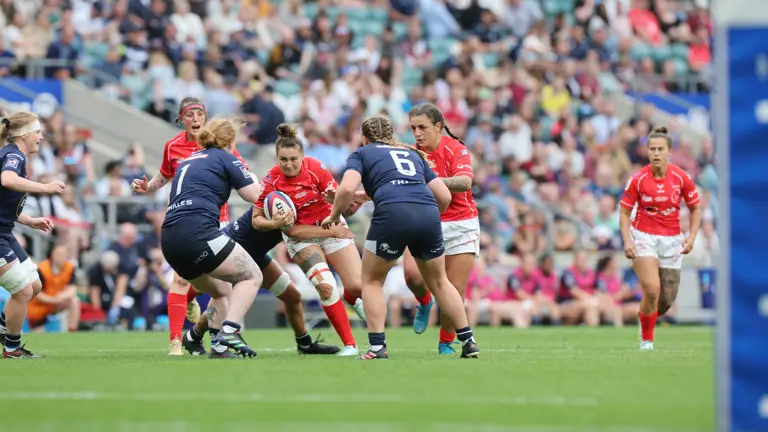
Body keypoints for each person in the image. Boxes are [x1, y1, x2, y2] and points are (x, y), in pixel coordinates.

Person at [322, 115, 480, 360]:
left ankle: (377, 347)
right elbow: (445, 196)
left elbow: (346, 189)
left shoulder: (362, 153)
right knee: (440, 282)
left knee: (372, 281)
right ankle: (468, 340)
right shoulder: (412, 154)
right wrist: (427, 217)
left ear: (365, 137)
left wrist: (334, 215)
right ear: (391, 134)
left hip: (391, 216)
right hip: (428, 214)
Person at [131, 98, 248, 355]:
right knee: (181, 279)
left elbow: (241, 172)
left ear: (206, 118)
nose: (195, 119)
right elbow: (164, 174)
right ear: (180, 120)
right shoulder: (173, 146)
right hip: (186, 219)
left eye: (199, 114)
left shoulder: (221, 144)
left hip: (220, 220)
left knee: (222, 287)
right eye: (189, 115)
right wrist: (148, 187)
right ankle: (176, 342)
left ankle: (198, 333)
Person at [252, 124, 365, 357]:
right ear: (277, 158)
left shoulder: (315, 168)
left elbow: (337, 199)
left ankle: (351, 299)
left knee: (356, 286)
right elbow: (258, 221)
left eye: (294, 159)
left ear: (302, 156)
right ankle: (350, 345)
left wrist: (338, 200)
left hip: (330, 224)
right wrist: (273, 224)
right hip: (303, 238)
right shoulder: (271, 181)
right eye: (283, 159)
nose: (289, 164)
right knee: (325, 286)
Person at [160, 118, 263, 359]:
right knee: (252, 275)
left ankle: (218, 348)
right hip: (198, 233)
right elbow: (254, 196)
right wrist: (255, 179)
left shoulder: (187, 160)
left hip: (169, 240)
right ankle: (230, 330)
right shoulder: (226, 156)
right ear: (229, 141)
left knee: (222, 291)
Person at [180, 205, 344, 356]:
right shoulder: (279, 197)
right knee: (224, 297)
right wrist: (331, 232)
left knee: (292, 296)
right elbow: (293, 231)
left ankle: (305, 344)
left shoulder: (306, 199)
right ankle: (201, 337)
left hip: (255, 255)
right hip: (231, 250)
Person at [403, 103, 480, 354]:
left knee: (455, 290)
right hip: (424, 219)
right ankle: (424, 301)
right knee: (413, 276)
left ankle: (446, 340)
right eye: (413, 128)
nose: (417, 133)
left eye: (422, 127)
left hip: (460, 222)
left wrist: (430, 181)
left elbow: (464, 182)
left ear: (438, 126)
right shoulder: (410, 154)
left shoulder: (456, 149)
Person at [620, 126, 701, 350]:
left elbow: (696, 208)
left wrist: (691, 237)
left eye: (660, 149)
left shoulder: (680, 177)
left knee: (664, 302)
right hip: (644, 236)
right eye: (652, 149)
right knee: (652, 289)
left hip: (673, 239)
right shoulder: (637, 179)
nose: (656, 153)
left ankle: (644, 315)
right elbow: (625, 212)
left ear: (669, 152)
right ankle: (647, 340)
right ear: (647, 151)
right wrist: (628, 240)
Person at [0, 111, 64, 358]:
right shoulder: (14, 155)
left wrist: (30, 221)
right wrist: (45, 188)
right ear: (23, 135)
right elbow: (6, 180)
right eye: (37, 131)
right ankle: (12, 348)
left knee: (34, 285)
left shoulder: (13, 155)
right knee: (23, 291)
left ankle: (4, 327)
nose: (41, 136)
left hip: (6, 232)